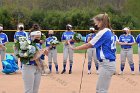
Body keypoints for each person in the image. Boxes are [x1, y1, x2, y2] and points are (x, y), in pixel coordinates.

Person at [68, 13, 116, 93]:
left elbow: (89, 44)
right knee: (99, 89)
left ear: (101, 21)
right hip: (107, 63)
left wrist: (75, 48)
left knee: (101, 90)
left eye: (96, 21)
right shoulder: (109, 31)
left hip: (106, 63)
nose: (95, 24)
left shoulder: (103, 32)